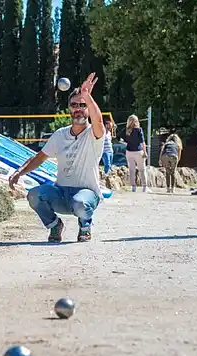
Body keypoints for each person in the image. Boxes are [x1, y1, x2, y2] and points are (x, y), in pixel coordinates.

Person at [9, 73, 105, 243]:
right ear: (69, 108)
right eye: (74, 104)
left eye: (83, 105)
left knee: (80, 203)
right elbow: (40, 157)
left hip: (87, 194)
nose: (78, 108)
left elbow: (98, 120)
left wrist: (87, 96)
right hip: (61, 193)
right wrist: (19, 172)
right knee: (34, 195)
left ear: (88, 108)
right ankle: (55, 225)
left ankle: (85, 226)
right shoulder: (60, 135)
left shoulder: (94, 135)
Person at [123, 115, 148, 192]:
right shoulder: (139, 130)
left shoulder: (126, 130)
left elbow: (122, 141)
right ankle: (144, 187)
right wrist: (145, 151)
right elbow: (142, 142)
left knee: (132, 170)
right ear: (136, 121)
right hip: (138, 151)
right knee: (142, 169)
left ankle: (133, 187)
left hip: (129, 152)